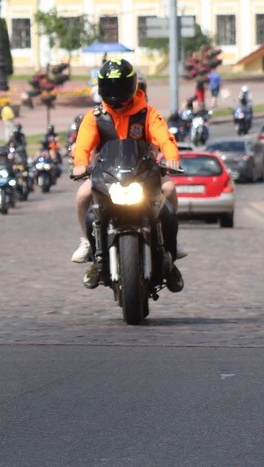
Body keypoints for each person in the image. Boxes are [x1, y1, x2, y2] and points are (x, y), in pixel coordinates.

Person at [70, 59, 184, 292]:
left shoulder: (147, 113)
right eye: (109, 87)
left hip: (145, 175)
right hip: (107, 176)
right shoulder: (94, 116)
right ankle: (88, 245)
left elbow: (164, 137)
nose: (115, 94)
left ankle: (170, 251)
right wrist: (80, 164)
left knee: (170, 189)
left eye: (119, 86)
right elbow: (82, 144)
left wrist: (171, 156)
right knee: (82, 195)